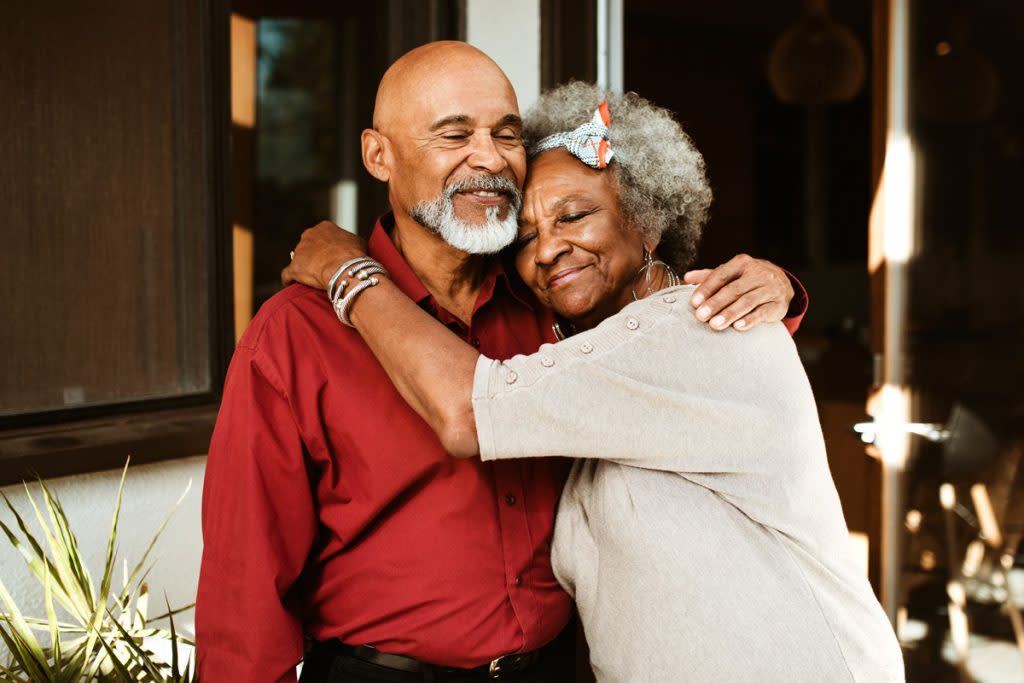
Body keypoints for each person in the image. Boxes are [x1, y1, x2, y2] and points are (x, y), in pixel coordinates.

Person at [197, 41, 802, 682]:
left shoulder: (552, 295)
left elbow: (673, 336)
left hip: (561, 668)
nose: (487, 159)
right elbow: (245, 583)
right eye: (453, 135)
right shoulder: (296, 333)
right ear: (379, 155)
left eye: (505, 133)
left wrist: (777, 289)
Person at [282, 81, 904, 681]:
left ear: (649, 221)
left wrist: (350, 273)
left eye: (575, 215)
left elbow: (470, 412)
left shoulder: (695, 325)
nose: (549, 249)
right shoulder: (588, 363)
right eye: (525, 238)